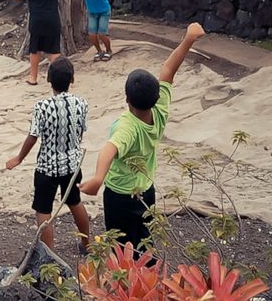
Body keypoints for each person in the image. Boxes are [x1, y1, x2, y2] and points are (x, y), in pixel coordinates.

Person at [79, 22, 206, 256]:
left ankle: (125, 287)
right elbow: (169, 69)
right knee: (145, 244)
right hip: (146, 191)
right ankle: (147, 283)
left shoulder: (128, 127)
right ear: (157, 96)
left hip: (119, 196)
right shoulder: (160, 112)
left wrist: (98, 178)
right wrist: (188, 39)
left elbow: (109, 149)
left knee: (120, 248)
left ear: (127, 99)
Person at [5, 57, 91, 252]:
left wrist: (19, 158)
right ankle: (88, 244)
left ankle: (49, 254)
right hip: (72, 165)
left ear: (48, 79)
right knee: (75, 201)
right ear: (72, 80)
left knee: (43, 209)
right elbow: (80, 131)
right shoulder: (82, 104)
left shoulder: (42, 107)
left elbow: (33, 136)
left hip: (47, 167)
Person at [13, 0, 75, 85]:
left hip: (36, 21)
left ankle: (33, 78)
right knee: (54, 51)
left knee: (34, 50)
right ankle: (57, 79)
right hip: (52, 20)